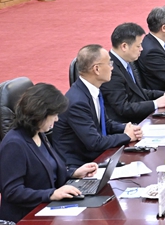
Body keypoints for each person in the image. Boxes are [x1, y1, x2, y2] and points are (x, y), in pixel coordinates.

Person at [0, 84, 99, 222]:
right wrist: (51, 194)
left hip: (47, 209)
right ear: (40, 113)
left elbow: (48, 171)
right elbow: (12, 192)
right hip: (26, 217)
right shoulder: (14, 144)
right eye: (55, 115)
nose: (57, 119)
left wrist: (74, 173)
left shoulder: (39, 133)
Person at [52, 45, 142, 168]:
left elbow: (105, 124)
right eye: (109, 63)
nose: (112, 67)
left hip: (96, 157)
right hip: (79, 166)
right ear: (97, 69)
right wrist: (126, 136)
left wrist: (126, 127)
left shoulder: (93, 90)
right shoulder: (77, 102)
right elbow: (94, 142)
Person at [102, 22, 165, 123]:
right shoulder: (110, 70)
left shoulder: (126, 62)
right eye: (138, 46)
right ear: (124, 46)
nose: (141, 49)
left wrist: (163, 94)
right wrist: (155, 104)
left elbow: (137, 92)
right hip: (129, 126)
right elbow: (123, 108)